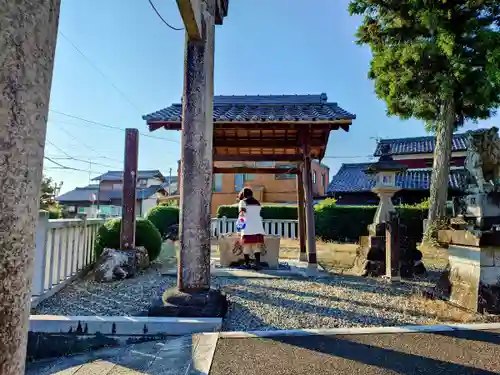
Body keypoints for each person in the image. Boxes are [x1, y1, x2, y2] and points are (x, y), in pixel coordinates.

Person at [237, 187, 265, 269]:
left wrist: (239, 227)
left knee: (246, 246)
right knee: (256, 246)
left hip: (248, 228)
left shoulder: (242, 202)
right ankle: (258, 264)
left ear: (243, 194)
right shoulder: (257, 203)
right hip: (258, 227)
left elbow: (242, 214)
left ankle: (247, 264)